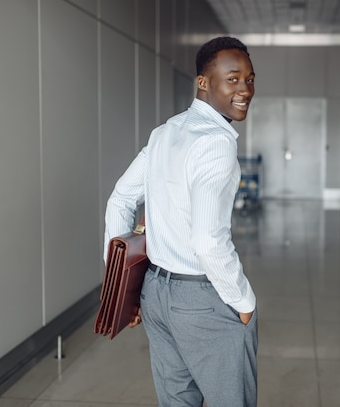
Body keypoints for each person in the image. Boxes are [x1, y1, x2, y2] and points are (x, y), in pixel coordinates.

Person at [103, 36, 258, 407]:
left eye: (250, 79)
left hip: (155, 293)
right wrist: (243, 300)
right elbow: (207, 239)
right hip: (202, 299)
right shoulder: (217, 143)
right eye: (232, 79)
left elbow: (120, 199)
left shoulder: (165, 133)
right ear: (203, 83)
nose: (245, 90)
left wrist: (121, 282)